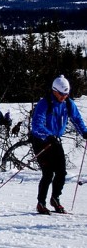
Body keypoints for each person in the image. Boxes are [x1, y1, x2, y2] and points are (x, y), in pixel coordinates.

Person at [31, 75, 87, 214]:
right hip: (41, 141)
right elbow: (36, 125)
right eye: (62, 94)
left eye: (67, 94)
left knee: (61, 172)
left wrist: (85, 133)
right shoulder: (44, 103)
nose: (64, 97)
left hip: (55, 141)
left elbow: (77, 119)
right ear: (54, 91)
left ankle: (55, 198)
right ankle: (41, 203)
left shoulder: (68, 103)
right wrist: (48, 135)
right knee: (48, 173)